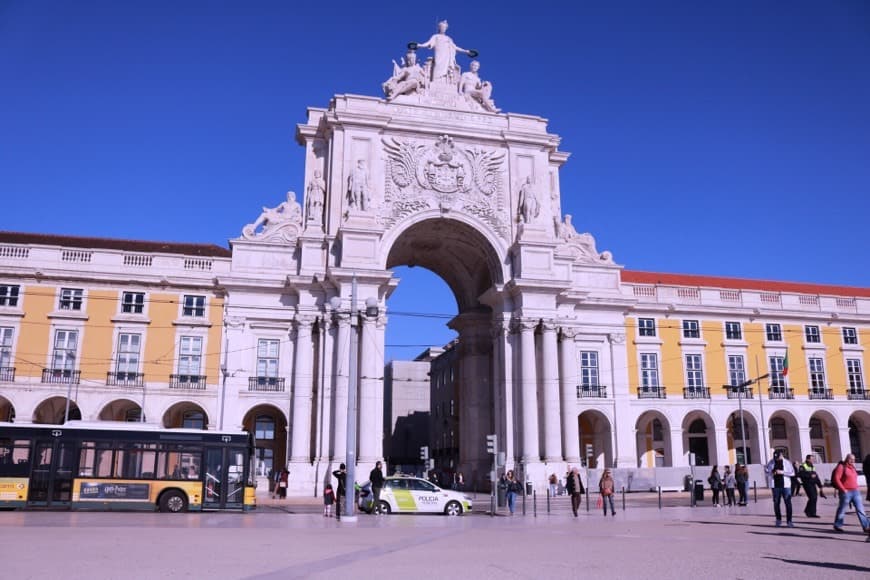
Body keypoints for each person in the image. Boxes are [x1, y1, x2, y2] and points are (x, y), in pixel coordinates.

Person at [831, 453, 869, 533]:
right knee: (842, 509)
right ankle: (837, 525)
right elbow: (836, 479)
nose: (852, 461)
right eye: (851, 459)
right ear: (846, 459)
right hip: (846, 492)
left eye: (854, 459)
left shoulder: (853, 467)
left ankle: (866, 526)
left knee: (860, 509)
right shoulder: (841, 467)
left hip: (855, 491)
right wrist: (843, 489)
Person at [765, 450, 795, 528]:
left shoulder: (787, 462)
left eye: (778, 457)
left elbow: (792, 473)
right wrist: (771, 473)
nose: (776, 459)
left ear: (781, 455)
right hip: (775, 486)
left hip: (786, 486)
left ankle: (789, 521)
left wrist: (781, 472)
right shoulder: (771, 462)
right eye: (775, 458)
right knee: (776, 503)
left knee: (788, 503)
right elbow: (766, 472)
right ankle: (778, 520)